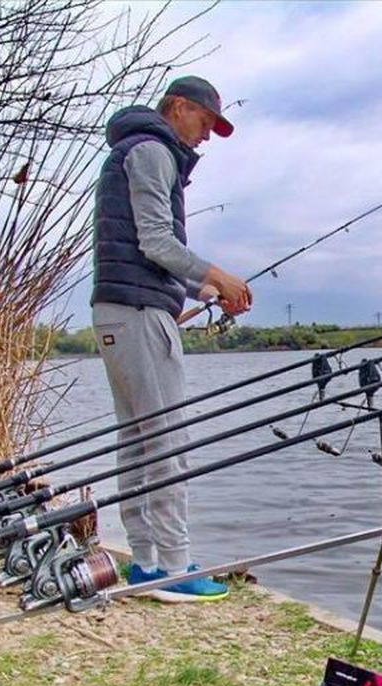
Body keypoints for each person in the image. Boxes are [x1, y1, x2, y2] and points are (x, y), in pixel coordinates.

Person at [90, 75, 252, 600]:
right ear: (178, 107)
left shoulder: (134, 149)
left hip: (121, 309)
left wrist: (201, 288)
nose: (205, 137)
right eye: (205, 123)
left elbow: (147, 251)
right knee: (166, 440)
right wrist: (220, 274)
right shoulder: (155, 150)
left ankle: (145, 564)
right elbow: (157, 240)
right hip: (137, 314)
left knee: (137, 442)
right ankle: (175, 566)